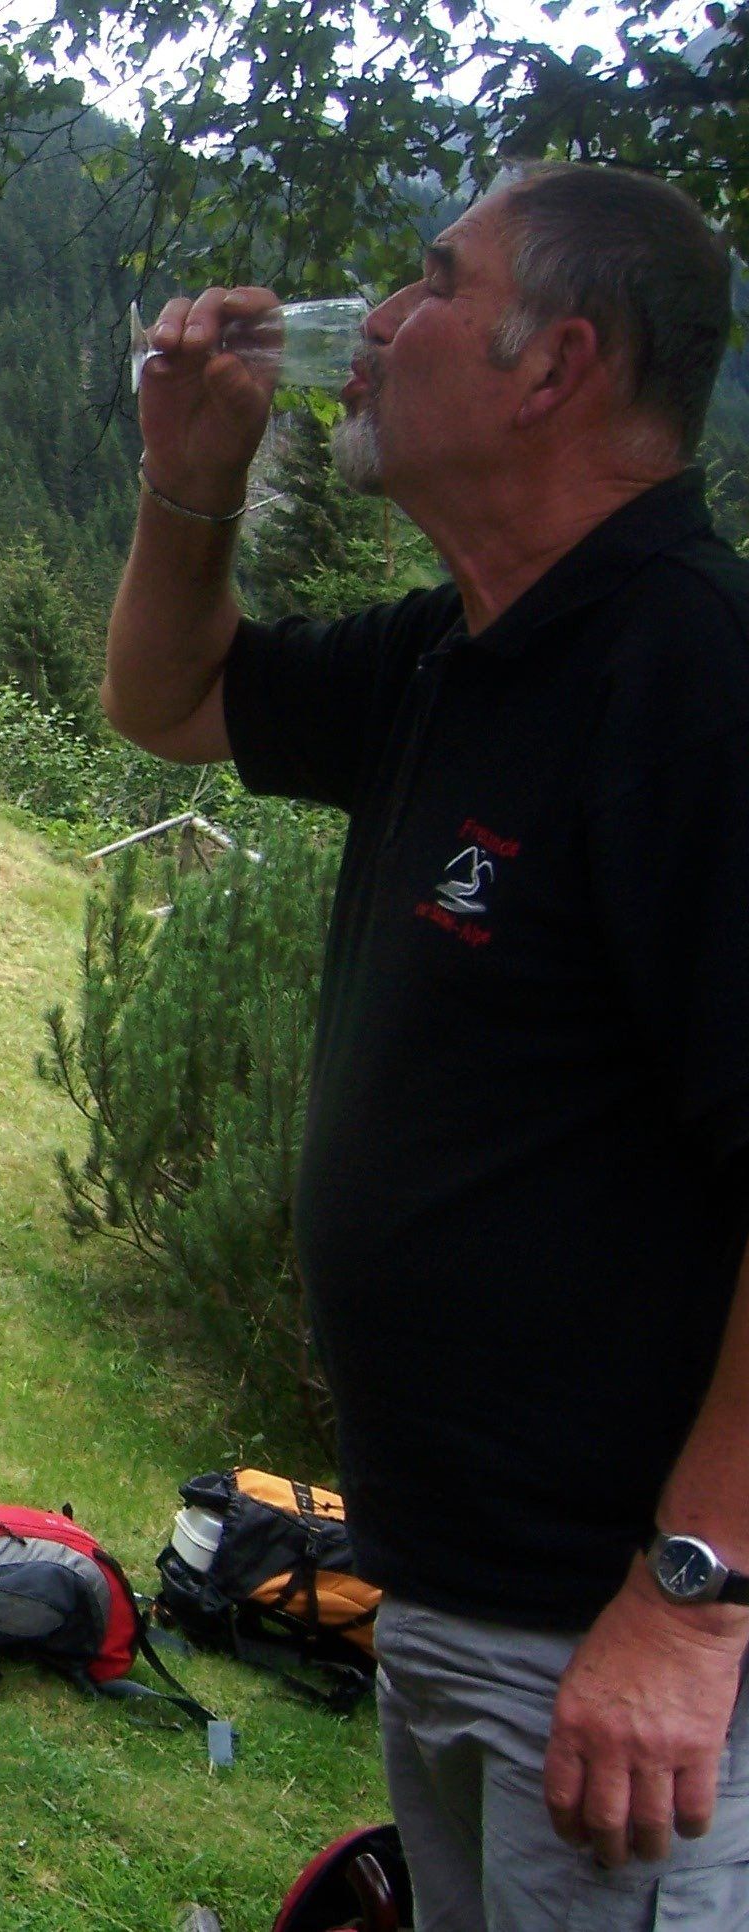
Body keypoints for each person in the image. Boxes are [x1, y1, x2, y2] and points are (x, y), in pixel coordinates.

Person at [103, 163, 749, 1930]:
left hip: (626, 1640)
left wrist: (695, 1597)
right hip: (460, 1593)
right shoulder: (455, 654)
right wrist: (191, 479)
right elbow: (166, 698)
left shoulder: (692, 682)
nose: (375, 323)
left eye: (429, 284)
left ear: (556, 364)